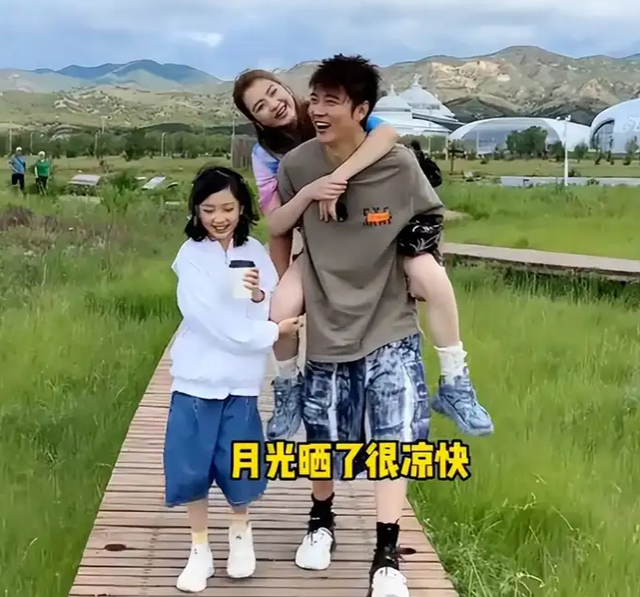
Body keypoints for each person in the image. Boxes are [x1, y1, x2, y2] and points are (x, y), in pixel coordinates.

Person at [233, 71, 493, 440]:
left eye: (274, 93)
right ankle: (288, 385)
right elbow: (279, 225)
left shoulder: (328, 109)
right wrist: (280, 274)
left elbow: (386, 134)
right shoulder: (271, 156)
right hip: (324, 242)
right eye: (260, 106)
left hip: (380, 235)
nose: (274, 105)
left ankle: (455, 380)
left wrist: (338, 178)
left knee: (434, 279)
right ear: (255, 120)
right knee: (282, 307)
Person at [276, 54, 450, 597]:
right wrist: (290, 287)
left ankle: (387, 552)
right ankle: (321, 519)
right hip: (328, 320)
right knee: (325, 437)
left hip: (390, 320)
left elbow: (429, 219)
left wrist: (417, 267)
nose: (318, 110)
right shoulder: (297, 165)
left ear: (361, 110)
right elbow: (281, 229)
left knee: (396, 437)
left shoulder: (398, 165)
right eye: (314, 98)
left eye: (332, 101)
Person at [164, 165, 302, 593]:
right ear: (196, 210)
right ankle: (199, 549)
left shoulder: (254, 250)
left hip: (241, 381)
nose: (219, 218)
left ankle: (241, 535)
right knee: (192, 466)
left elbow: (270, 297)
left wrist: (258, 295)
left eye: (227, 208)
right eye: (209, 209)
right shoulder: (191, 256)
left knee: (240, 461)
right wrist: (272, 332)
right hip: (196, 380)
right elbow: (207, 320)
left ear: (242, 208)